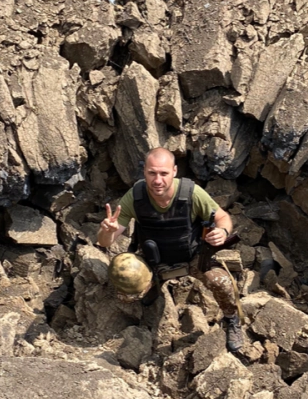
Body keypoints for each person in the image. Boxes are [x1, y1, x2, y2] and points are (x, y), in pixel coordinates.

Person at [97, 147, 244, 353]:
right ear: (144, 171)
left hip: (192, 256)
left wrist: (222, 231)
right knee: (125, 286)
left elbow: (222, 217)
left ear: (174, 171)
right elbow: (105, 242)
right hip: (154, 260)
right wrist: (107, 231)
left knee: (221, 283)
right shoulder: (135, 197)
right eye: (152, 173)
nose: (158, 180)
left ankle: (232, 319)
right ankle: (156, 283)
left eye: (163, 173)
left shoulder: (191, 193)